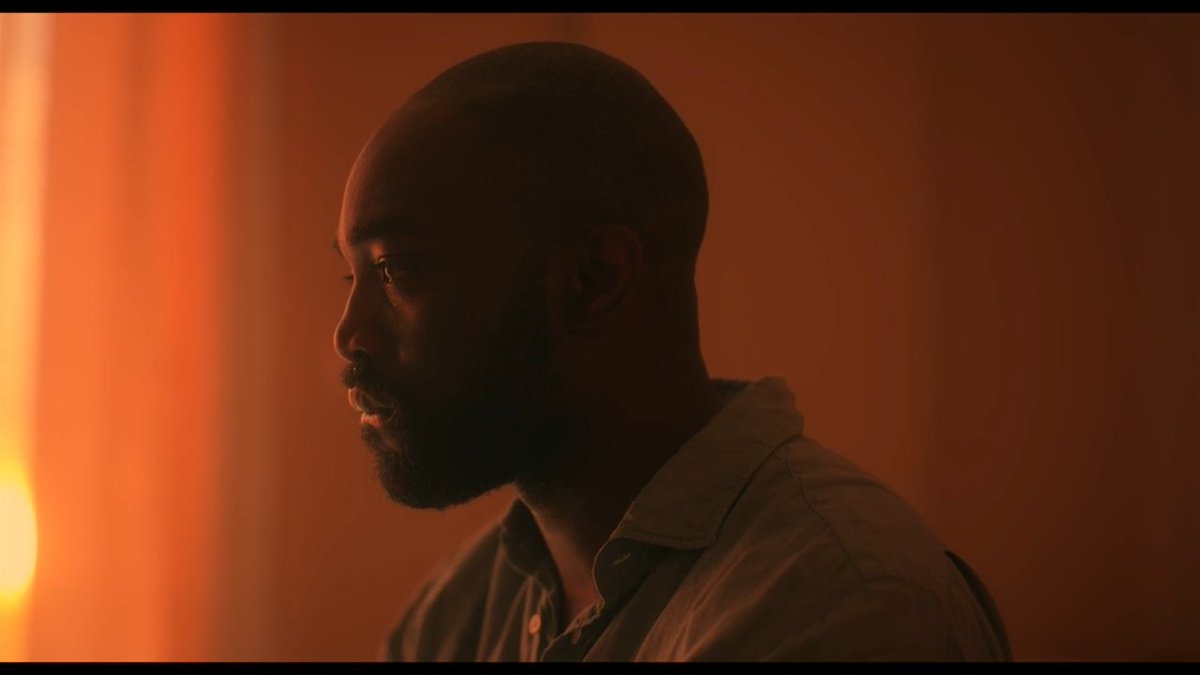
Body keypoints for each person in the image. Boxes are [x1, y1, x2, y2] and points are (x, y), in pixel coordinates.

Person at [332, 41, 1011, 662]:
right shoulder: (458, 611)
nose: (347, 334)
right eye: (349, 275)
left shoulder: (843, 605)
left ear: (594, 280)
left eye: (397, 269)